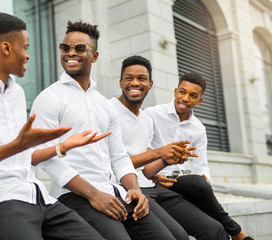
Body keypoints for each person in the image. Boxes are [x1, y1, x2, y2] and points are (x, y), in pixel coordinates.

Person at [0, 12, 107, 240]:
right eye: (25, 48)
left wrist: (63, 147)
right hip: (1, 201)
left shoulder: (17, 93)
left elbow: (23, 155)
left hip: (38, 196)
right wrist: (15, 146)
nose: (28, 56)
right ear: (6, 48)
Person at [31, 21, 179, 240]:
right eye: (65, 48)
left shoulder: (104, 104)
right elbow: (45, 157)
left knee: (173, 237)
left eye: (79, 48)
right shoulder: (50, 98)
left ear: (95, 56)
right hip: (74, 195)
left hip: (114, 191)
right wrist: (93, 194)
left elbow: (119, 156)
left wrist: (135, 189)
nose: (70, 53)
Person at [111, 55, 236, 240]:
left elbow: (146, 169)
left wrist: (164, 161)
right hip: (128, 188)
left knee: (214, 229)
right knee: (179, 237)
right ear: (121, 82)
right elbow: (114, 162)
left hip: (156, 184)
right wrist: (161, 153)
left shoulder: (146, 119)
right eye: (129, 78)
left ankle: (234, 231)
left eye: (142, 78)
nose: (135, 83)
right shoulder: (110, 110)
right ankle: (238, 232)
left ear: (151, 84)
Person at [144, 72, 253, 240]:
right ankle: (238, 233)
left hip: (183, 181)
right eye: (182, 92)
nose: (185, 98)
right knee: (200, 189)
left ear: (199, 101)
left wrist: (206, 180)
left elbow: (201, 164)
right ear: (175, 92)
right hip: (157, 178)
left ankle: (232, 232)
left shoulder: (198, 128)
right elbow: (143, 152)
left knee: (201, 186)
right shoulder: (152, 114)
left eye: (193, 95)